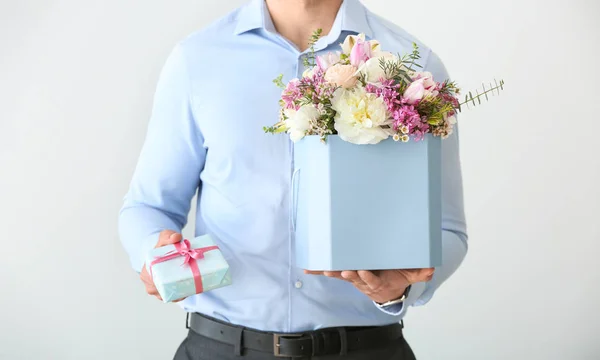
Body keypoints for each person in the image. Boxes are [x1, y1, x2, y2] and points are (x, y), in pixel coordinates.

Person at [118, 0, 468, 359]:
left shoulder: (413, 68)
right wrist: (152, 253)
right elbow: (149, 206)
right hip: (220, 348)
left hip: (367, 349)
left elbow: (447, 228)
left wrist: (399, 289)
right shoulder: (197, 59)